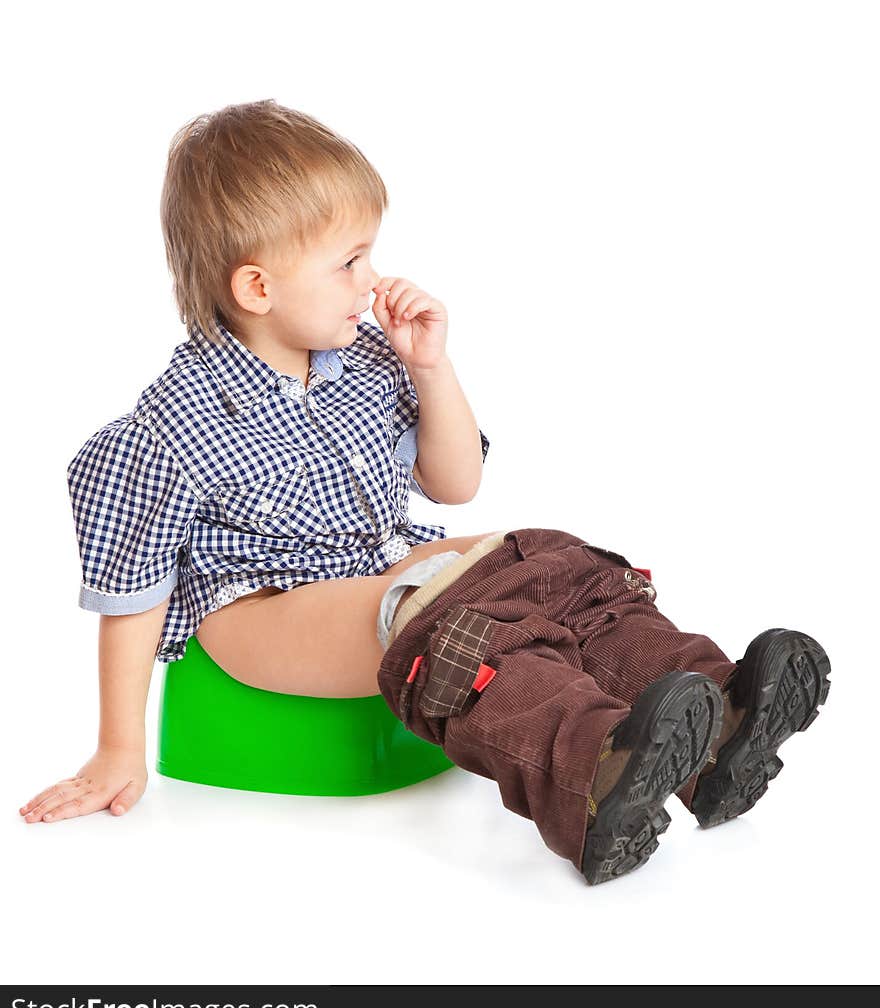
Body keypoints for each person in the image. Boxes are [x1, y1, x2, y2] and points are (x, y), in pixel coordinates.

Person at [18, 100, 831, 886]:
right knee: (435, 609)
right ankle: (593, 775)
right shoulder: (170, 425)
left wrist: (428, 366)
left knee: (543, 559)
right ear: (257, 288)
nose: (373, 282)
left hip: (380, 564)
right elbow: (132, 591)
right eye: (349, 262)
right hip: (261, 609)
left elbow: (456, 484)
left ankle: (719, 721)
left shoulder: (369, 361)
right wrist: (116, 746)